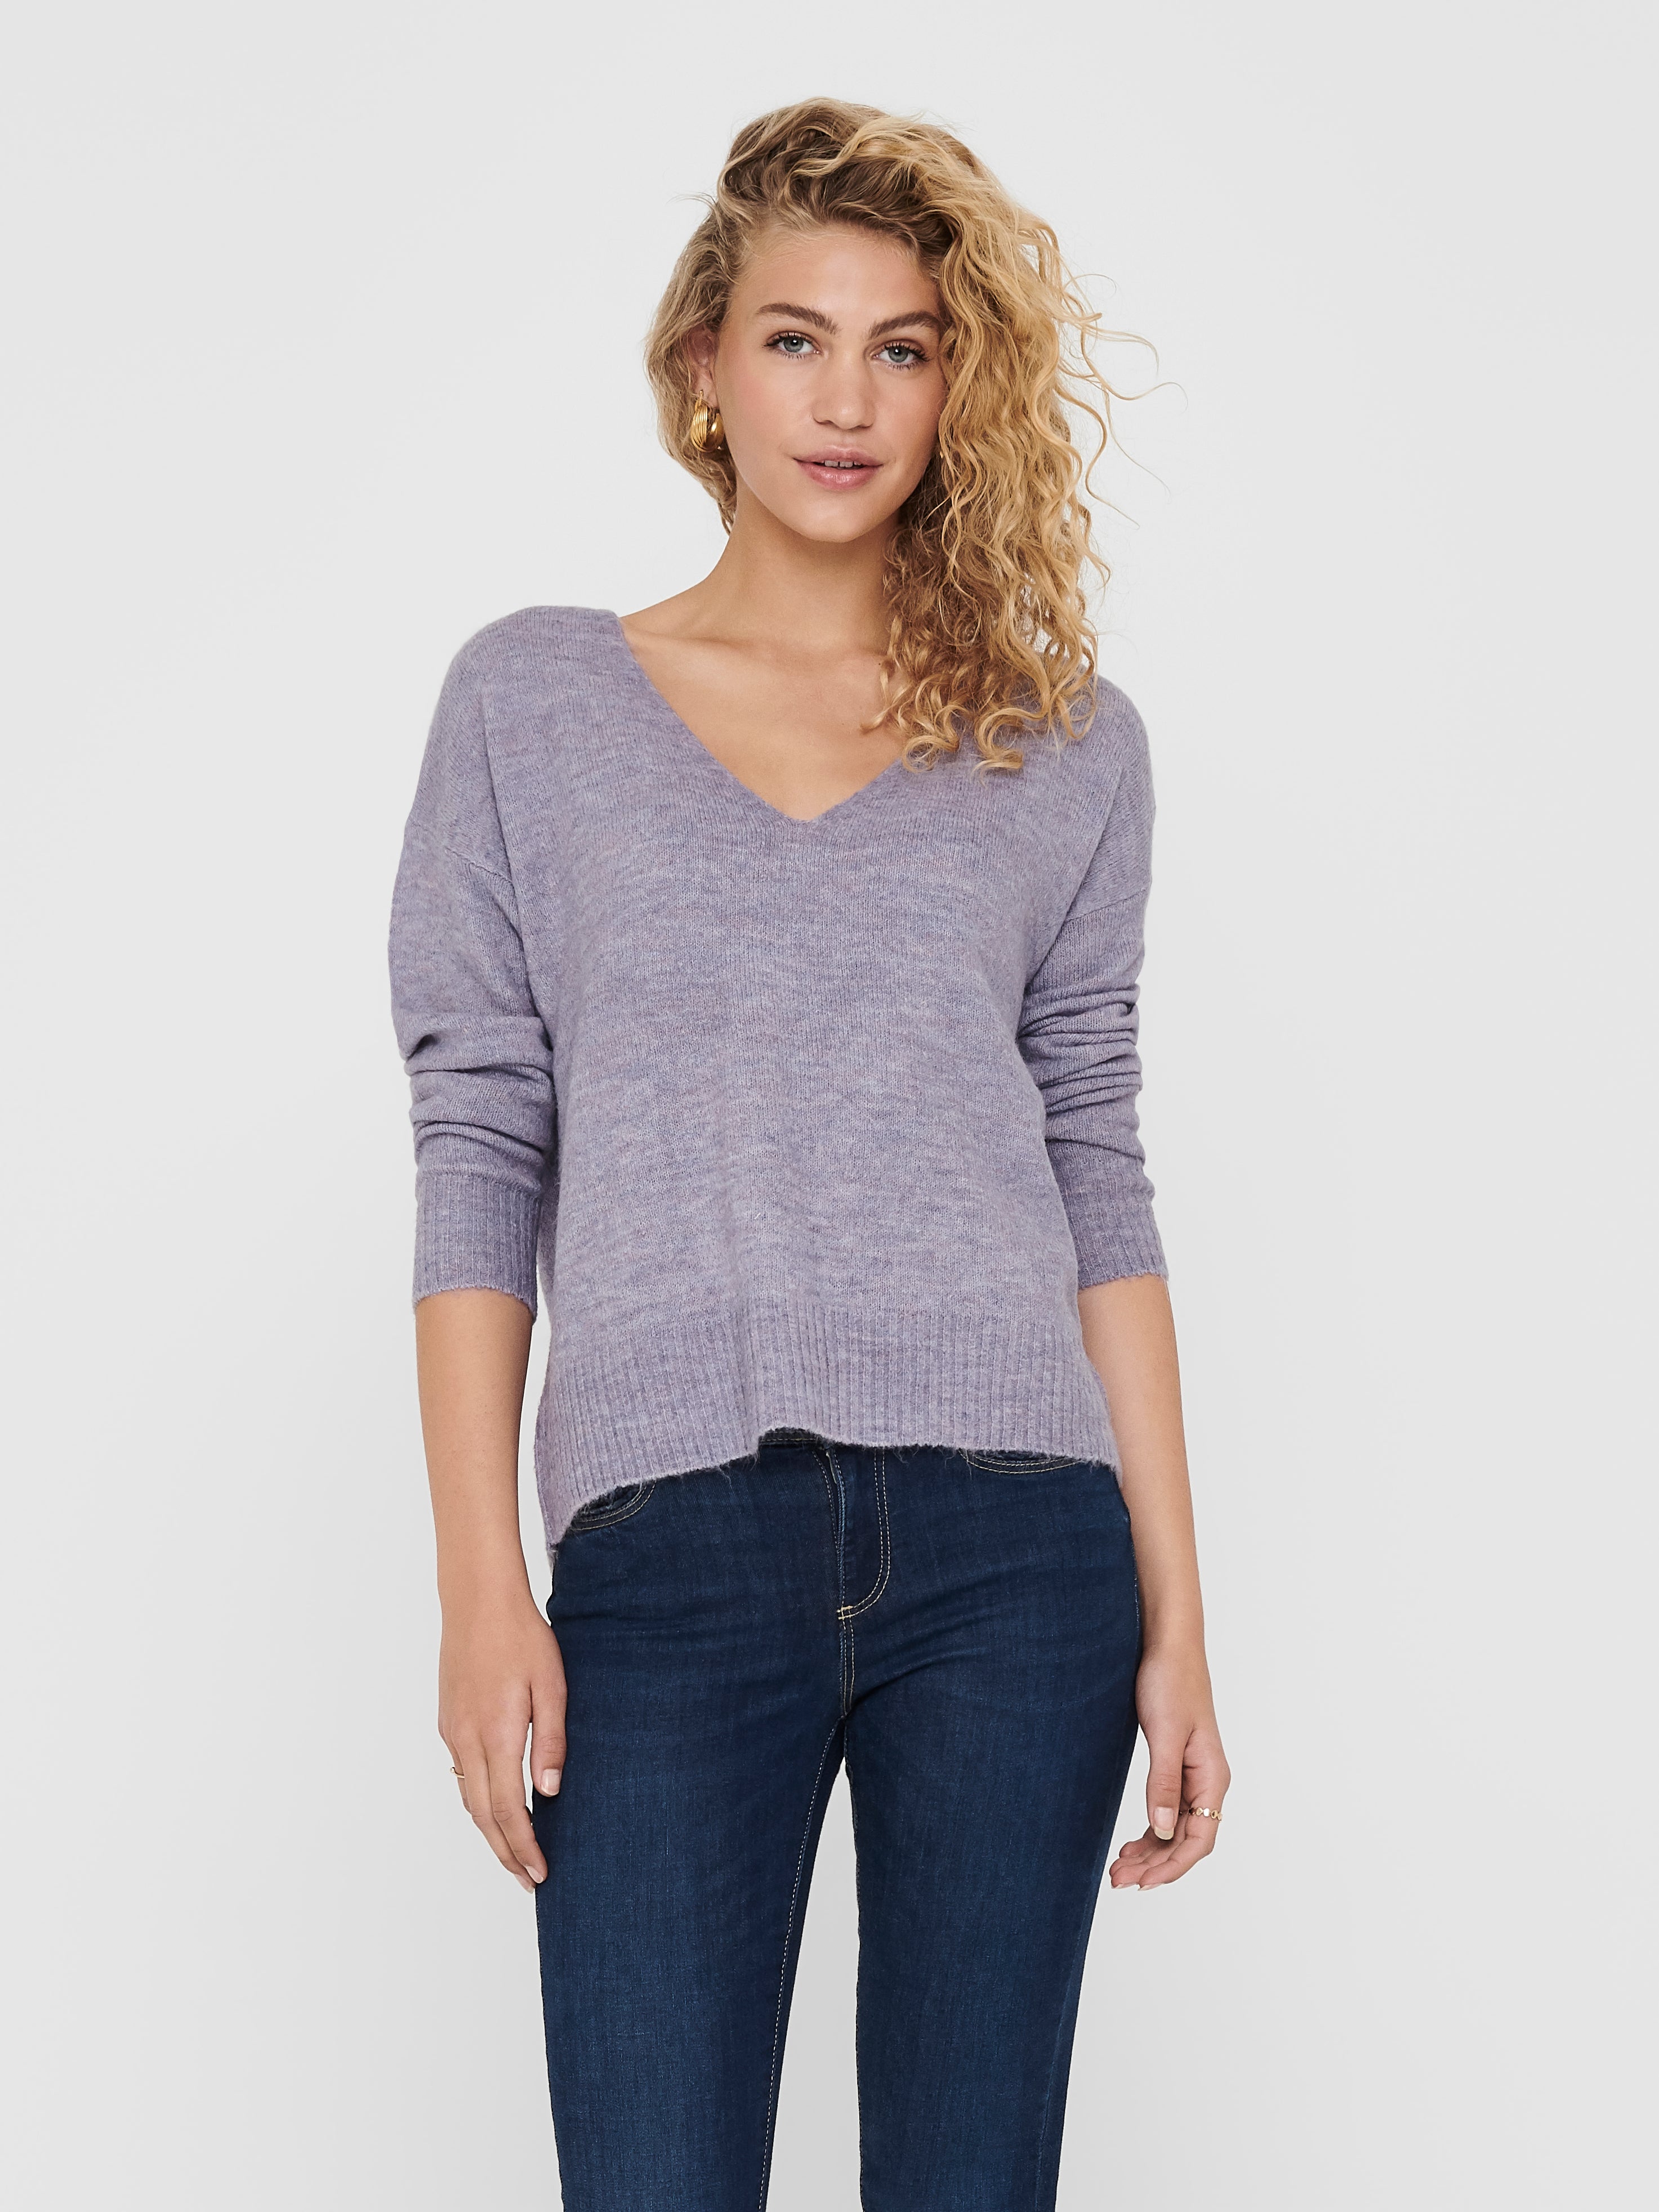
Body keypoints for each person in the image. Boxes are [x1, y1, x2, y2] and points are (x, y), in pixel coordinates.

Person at [389, 96, 1230, 2212]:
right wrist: (481, 1583)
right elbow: (481, 1137)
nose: (845, 401)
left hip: (1020, 1558)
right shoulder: (532, 703)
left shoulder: (1062, 741)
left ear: (958, 390)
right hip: (666, 1559)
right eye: (793, 339)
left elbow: (1095, 1161)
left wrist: (1178, 1611)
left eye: (901, 348)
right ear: (703, 365)